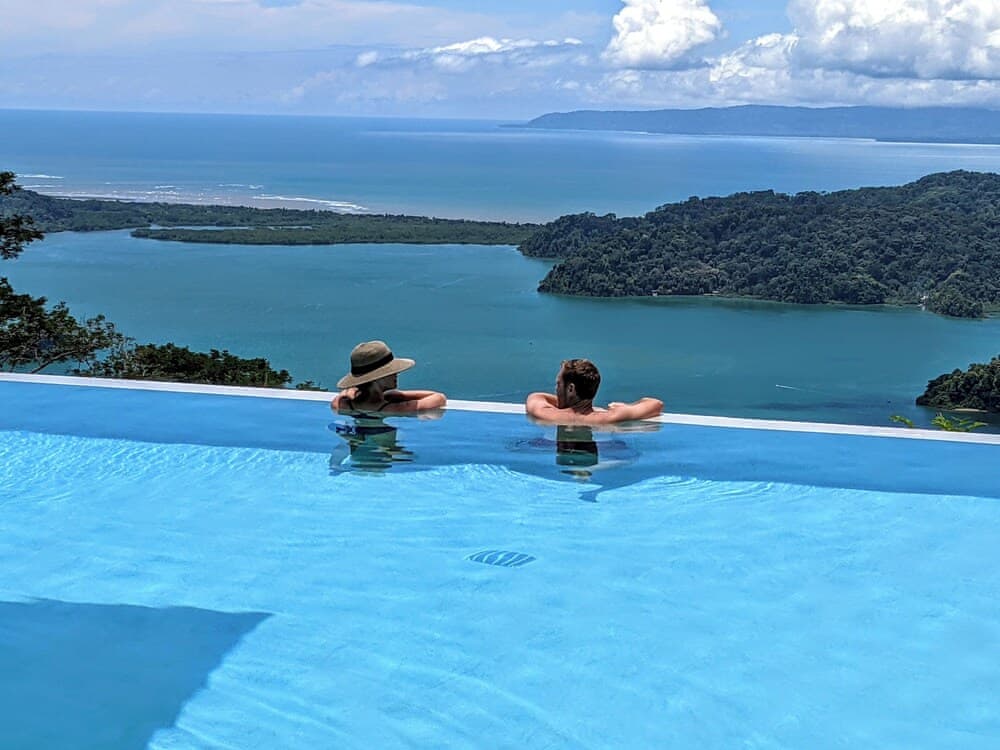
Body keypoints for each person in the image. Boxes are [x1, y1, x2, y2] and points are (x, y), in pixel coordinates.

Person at [525, 358, 662, 425]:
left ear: (571, 389)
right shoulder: (608, 418)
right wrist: (625, 407)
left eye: (559, 384)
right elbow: (655, 404)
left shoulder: (546, 414)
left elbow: (536, 397)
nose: (556, 389)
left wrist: (562, 404)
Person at [331, 340, 446, 414]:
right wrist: (398, 395)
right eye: (390, 372)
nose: (396, 374)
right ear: (377, 378)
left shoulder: (340, 405)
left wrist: (356, 389)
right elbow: (439, 398)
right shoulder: (396, 409)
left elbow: (344, 394)